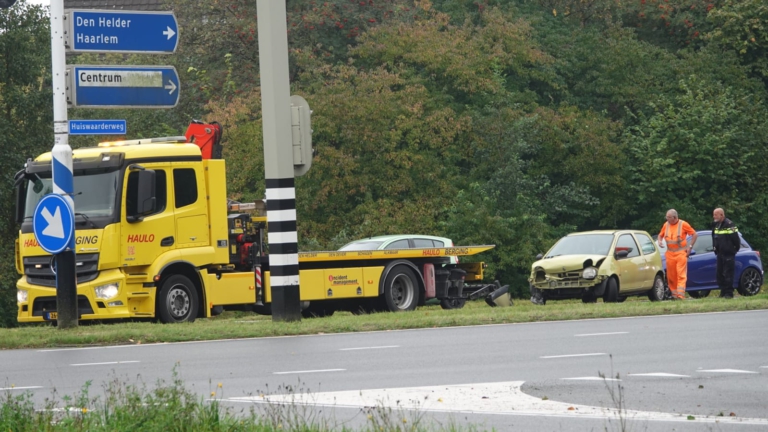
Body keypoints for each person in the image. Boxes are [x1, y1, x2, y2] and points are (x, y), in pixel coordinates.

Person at [658, 209, 697, 300]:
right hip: (670, 254)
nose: (667, 219)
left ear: (674, 217)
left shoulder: (683, 224)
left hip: (680, 253)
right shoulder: (666, 225)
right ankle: (674, 295)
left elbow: (694, 234)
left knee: (681, 274)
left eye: (669, 217)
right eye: (666, 217)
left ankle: (680, 295)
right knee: (671, 276)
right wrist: (659, 241)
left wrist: (690, 246)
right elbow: (660, 235)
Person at [712, 208, 740, 299]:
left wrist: (734, 249)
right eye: (714, 214)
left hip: (728, 253)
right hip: (720, 253)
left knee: (728, 274)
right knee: (719, 274)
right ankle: (723, 291)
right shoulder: (717, 225)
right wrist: (715, 248)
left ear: (722, 215)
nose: (714, 216)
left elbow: (735, 239)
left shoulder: (729, 224)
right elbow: (714, 237)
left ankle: (729, 293)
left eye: (716, 214)